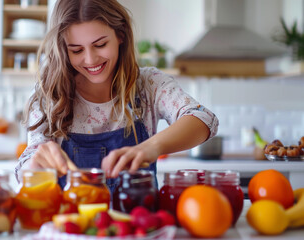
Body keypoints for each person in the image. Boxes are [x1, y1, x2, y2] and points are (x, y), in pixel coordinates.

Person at [15, 0, 218, 192]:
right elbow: (29, 162)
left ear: (120, 35)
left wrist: (151, 147)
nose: (90, 59)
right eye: (76, 50)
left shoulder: (148, 85)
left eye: (100, 45)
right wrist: (34, 167)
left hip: (137, 226)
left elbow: (204, 119)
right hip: (70, 226)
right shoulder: (50, 95)